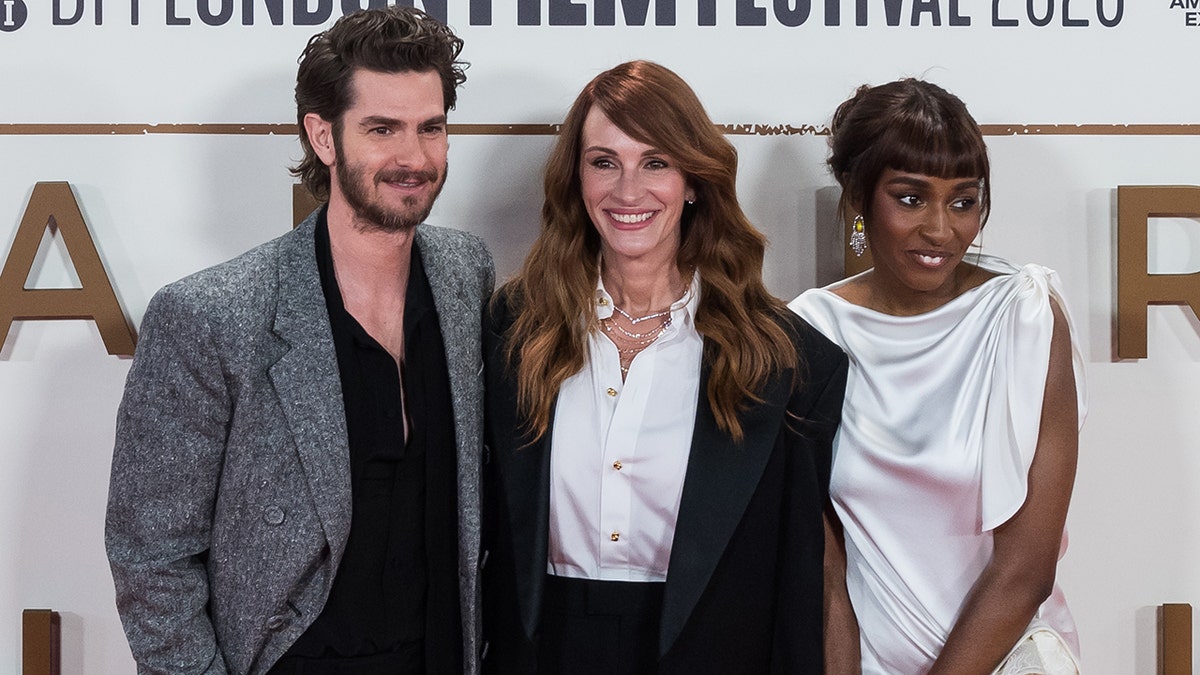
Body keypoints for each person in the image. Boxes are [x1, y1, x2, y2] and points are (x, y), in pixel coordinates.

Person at [105, 7, 493, 674]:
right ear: (323, 136)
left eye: (431, 128)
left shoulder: (467, 273)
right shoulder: (210, 315)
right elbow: (151, 556)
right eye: (382, 129)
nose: (414, 157)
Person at [480, 60, 848, 674]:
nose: (628, 192)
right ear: (576, 178)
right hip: (544, 655)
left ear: (694, 180)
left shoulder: (787, 360)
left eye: (655, 163)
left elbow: (800, 583)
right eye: (604, 162)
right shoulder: (512, 330)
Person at [789, 79, 1086, 674]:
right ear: (857, 195)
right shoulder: (809, 331)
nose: (941, 230)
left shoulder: (1023, 316)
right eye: (910, 198)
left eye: (963, 201)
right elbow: (824, 567)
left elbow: (1027, 570)